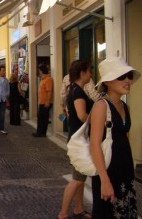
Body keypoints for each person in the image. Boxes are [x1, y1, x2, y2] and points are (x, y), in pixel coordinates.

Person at [90, 56, 140, 218]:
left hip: (125, 170)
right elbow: (94, 144)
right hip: (107, 171)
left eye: (129, 76)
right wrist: (104, 180)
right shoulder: (101, 106)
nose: (127, 80)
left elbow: (123, 138)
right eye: (121, 77)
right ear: (108, 82)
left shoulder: (125, 106)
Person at [57, 60, 94, 219]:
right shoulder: (78, 91)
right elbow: (81, 115)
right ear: (82, 73)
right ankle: (63, 213)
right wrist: (99, 121)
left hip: (77, 139)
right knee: (78, 179)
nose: (91, 74)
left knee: (80, 177)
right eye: (89, 71)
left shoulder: (73, 89)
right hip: (80, 141)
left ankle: (78, 208)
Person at [32, 63, 53, 137]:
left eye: (39, 70)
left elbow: (49, 91)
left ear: (42, 71)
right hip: (41, 102)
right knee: (41, 118)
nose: (39, 72)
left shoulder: (48, 79)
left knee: (43, 118)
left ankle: (42, 133)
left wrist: (47, 101)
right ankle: (40, 132)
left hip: (45, 102)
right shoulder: (42, 79)